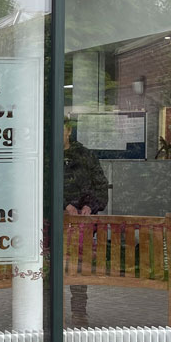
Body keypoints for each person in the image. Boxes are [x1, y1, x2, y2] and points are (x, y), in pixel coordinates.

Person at [63, 115, 109, 327]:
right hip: (52, 221)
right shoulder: (44, 156)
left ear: (69, 131)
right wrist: (63, 206)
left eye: (61, 129)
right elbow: (38, 189)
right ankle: (47, 311)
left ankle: (79, 312)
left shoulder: (85, 156)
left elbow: (101, 188)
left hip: (80, 223)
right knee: (46, 266)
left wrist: (90, 206)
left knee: (77, 266)